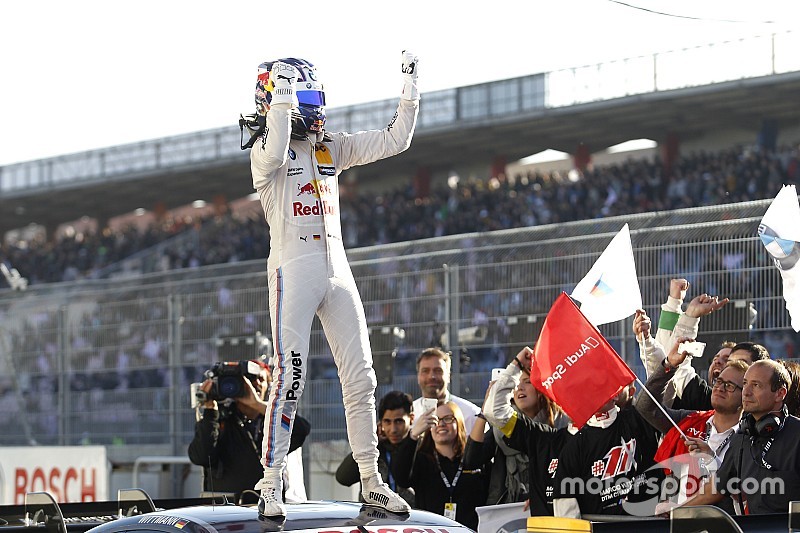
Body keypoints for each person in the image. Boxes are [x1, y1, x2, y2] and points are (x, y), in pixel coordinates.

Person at [245, 51, 420, 517]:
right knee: (289, 380)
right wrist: (282, 104)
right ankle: (270, 485)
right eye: (300, 94)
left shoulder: (329, 147)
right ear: (275, 98)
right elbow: (279, 144)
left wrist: (410, 89)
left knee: (361, 377)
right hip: (293, 272)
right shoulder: (265, 153)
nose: (313, 105)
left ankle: (371, 480)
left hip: (336, 269)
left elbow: (395, 140)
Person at [662, 359, 800, 515]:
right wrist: (677, 511)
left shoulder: (796, 435)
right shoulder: (742, 437)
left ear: (780, 393)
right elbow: (716, 488)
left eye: (756, 385)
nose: (746, 392)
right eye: (745, 384)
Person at [634, 333, 748, 509]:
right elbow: (646, 406)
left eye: (730, 385)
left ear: (745, 396)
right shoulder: (690, 420)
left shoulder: (749, 439)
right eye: (719, 381)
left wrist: (712, 459)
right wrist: (669, 365)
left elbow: (740, 491)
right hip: (677, 523)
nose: (719, 388)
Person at [188, 359, 310, 503]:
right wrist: (210, 411)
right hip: (226, 511)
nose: (256, 384)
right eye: (249, 379)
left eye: (260, 379)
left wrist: (258, 405)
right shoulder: (219, 418)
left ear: (269, 386)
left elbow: (301, 430)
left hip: (268, 506)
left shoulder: (272, 422)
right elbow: (200, 457)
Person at [481, 346, 573, 515]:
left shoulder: (581, 431)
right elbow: (494, 411)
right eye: (518, 383)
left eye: (527, 382)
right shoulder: (541, 435)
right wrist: (516, 365)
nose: (520, 388)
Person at [552, 386, 661, 517]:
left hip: (652, 524)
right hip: (602, 528)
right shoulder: (574, 447)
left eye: (600, 386)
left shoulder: (639, 418)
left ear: (615, 394)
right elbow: (566, 514)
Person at [392, 401, 488, 530]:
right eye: (436, 420)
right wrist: (413, 435)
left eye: (448, 419)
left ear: (459, 423)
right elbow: (401, 479)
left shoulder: (473, 459)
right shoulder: (421, 459)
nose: (441, 424)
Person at [335, 390, 415, 506]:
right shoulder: (373, 451)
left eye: (399, 421)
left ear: (411, 419)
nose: (393, 429)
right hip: (374, 520)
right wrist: (370, 443)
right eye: (387, 422)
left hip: (411, 518)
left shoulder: (419, 447)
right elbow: (343, 478)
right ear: (380, 423)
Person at [412, 347, 481, 434]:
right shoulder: (408, 416)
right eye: (425, 371)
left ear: (449, 376)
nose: (431, 376)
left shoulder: (471, 415)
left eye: (438, 371)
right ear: (418, 376)